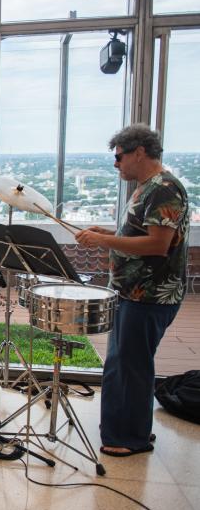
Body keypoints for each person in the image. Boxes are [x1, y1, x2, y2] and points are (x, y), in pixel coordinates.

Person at [76, 124, 189, 457]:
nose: (116, 164)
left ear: (139, 151)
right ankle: (124, 431)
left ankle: (128, 439)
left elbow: (157, 244)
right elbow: (143, 232)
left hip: (149, 296)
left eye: (119, 156)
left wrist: (104, 240)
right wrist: (108, 231)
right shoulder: (147, 187)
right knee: (123, 363)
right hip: (132, 293)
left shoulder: (164, 188)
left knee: (131, 366)